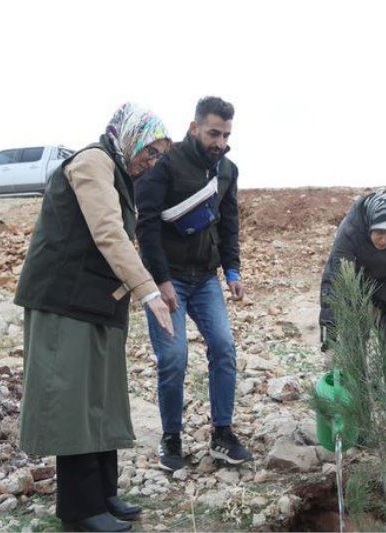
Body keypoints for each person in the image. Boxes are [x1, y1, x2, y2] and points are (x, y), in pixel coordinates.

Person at [15, 103, 174, 532]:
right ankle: (80, 510)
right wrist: (148, 292)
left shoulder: (118, 172)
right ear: (131, 137)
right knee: (74, 403)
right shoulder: (92, 163)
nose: (152, 161)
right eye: (151, 150)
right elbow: (109, 232)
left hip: (95, 303)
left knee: (100, 401)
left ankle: (104, 495)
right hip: (64, 301)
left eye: (159, 155)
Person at [135, 96, 251, 472]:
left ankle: (222, 434)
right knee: (173, 359)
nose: (220, 141)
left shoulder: (228, 170)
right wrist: (161, 280)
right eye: (213, 133)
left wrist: (232, 270)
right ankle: (171, 440)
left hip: (205, 280)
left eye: (226, 135)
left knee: (224, 349)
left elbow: (228, 222)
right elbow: (147, 224)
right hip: (167, 282)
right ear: (194, 128)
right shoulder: (164, 166)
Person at [319, 189, 386, 447]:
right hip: (354, 287)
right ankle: (361, 424)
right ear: (370, 225)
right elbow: (336, 279)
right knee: (356, 349)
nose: (385, 240)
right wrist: (331, 335)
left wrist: (383, 301)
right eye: (380, 233)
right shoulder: (351, 230)